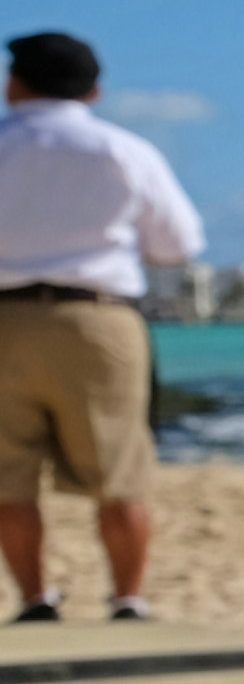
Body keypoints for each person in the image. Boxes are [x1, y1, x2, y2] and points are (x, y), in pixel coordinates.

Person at [0, 33, 204, 622]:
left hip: (3, 320)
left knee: (8, 477)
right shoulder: (123, 149)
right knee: (121, 471)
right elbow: (178, 246)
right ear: (95, 90)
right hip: (97, 318)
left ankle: (35, 599)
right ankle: (127, 600)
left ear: (14, 82)